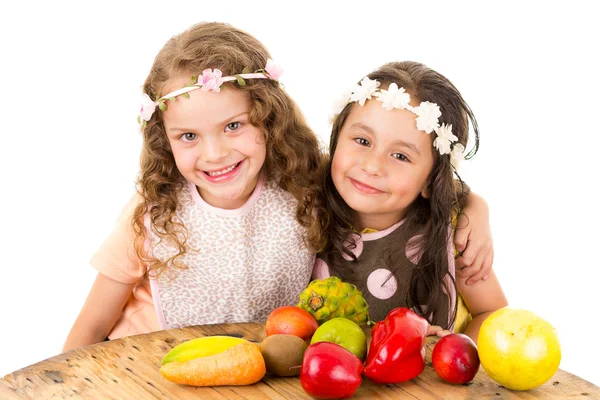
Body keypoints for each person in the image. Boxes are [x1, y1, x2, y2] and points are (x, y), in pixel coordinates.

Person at [64, 23, 494, 352]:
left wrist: (476, 206)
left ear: (268, 117)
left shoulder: (301, 180)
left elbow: (400, 180)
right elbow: (89, 329)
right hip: (139, 367)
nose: (214, 154)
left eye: (233, 126)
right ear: (165, 138)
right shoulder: (153, 212)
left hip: (256, 374)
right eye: (188, 136)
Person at [304, 61, 507, 342]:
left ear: (431, 179)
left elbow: (493, 315)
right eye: (362, 141)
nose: (372, 166)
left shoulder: (454, 234)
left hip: (424, 384)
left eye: (400, 156)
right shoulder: (306, 205)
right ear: (337, 136)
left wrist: (454, 350)